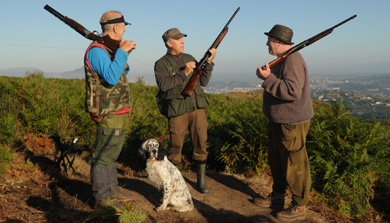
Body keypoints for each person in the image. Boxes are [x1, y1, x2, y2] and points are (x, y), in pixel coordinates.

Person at [254, 24, 313, 221]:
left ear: (279, 42)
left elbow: (292, 91)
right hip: (279, 120)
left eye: (270, 40)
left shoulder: (293, 60)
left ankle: (299, 206)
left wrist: (267, 78)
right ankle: (278, 197)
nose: (267, 43)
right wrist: (267, 75)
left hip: (291, 123)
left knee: (295, 165)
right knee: (278, 161)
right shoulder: (284, 59)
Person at [84, 10, 136, 208]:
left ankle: (112, 190)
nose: (124, 30)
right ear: (116, 27)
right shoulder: (97, 50)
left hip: (118, 109)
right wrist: (122, 52)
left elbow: (122, 71)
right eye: (123, 26)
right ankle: (101, 198)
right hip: (108, 112)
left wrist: (121, 54)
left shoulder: (108, 49)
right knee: (102, 155)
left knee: (111, 154)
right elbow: (111, 77)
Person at [154, 28, 217, 193]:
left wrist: (208, 63)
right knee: (175, 147)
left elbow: (203, 81)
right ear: (169, 43)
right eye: (178, 39)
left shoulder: (189, 58)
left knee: (201, 142)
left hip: (197, 108)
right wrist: (184, 73)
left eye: (182, 38)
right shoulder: (161, 64)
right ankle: (172, 184)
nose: (183, 41)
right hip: (178, 110)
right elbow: (164, 85)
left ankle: (201, 181)